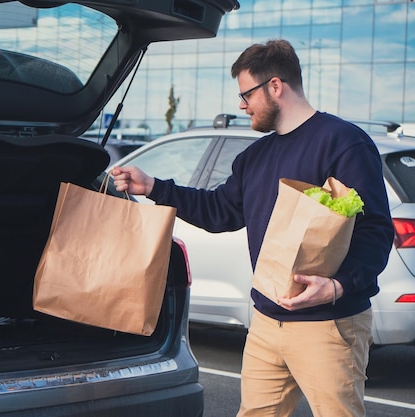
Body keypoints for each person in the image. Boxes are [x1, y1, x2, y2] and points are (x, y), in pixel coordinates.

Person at [111, 39, 394, 417]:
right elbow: (219, 211)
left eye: (246, 95)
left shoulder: (343, 142)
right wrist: (153, 187)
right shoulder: (255, 156)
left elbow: (376, 228)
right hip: (265, 321)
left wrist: (338, 285)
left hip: (327, 324)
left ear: (275, 86)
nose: (242, 106)